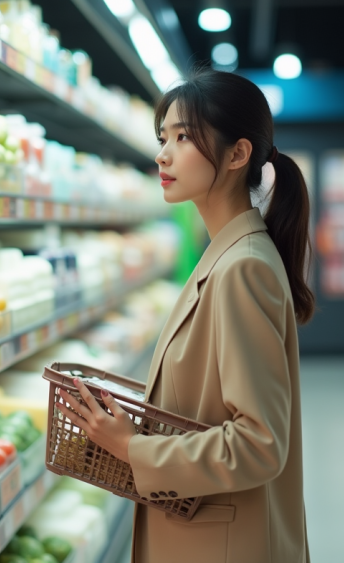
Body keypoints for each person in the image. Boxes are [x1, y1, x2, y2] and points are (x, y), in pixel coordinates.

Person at [57, 68, 313, 563]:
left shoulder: (243, 268)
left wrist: (134, 448)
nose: (162, 154)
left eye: (183, 137)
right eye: (162, 137)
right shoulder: (225, 254)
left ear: (238, 154)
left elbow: (260, 443)